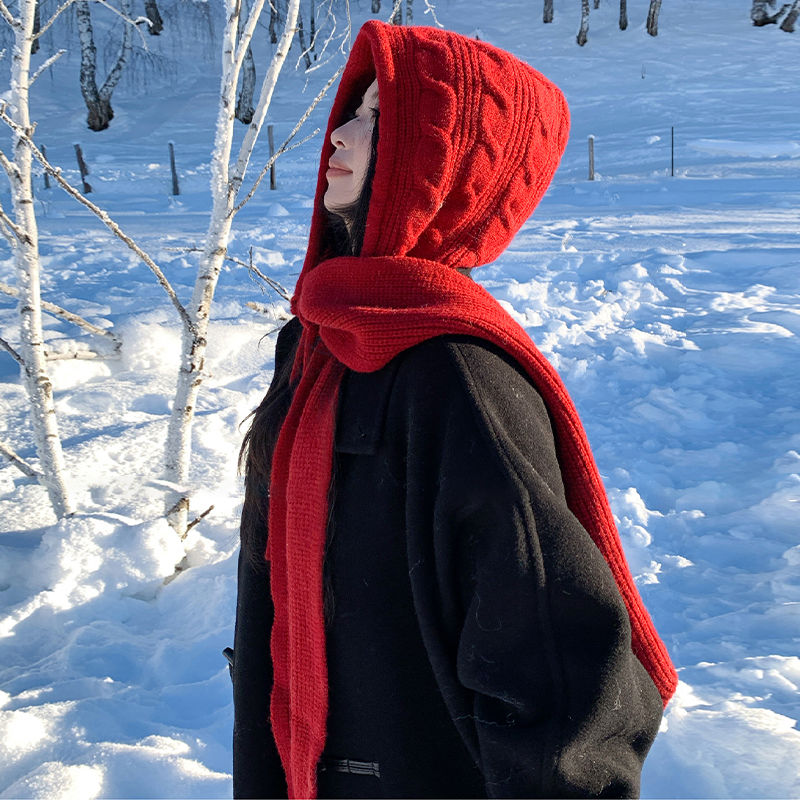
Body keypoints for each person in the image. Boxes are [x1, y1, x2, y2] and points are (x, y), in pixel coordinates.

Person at [232, 20, 677, 800]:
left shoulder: (456, 374)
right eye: (350, 110)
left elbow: (559, 668)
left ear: (439, 163)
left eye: (376, 118)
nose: (338, 134)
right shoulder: (316, 343)